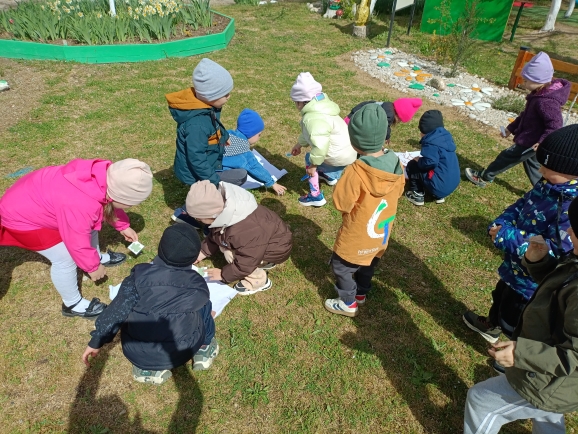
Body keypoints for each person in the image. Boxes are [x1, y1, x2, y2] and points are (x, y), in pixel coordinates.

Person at [463, 125, 578, 372]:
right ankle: (492, 324)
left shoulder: (572, 208)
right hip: (514, 267)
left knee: (519, 320)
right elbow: (521, 204)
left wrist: (507, 236)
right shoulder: (547, 184)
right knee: (501, 295)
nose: (541, 170)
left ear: (572, 172)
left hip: (532, 283)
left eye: (547, 167)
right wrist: (502, 222)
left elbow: (553, 251)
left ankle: (514, 358)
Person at [463, 194, 578, 434]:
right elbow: (559, 289)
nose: (568, 231)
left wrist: (521, 353)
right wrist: (540, 263)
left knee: (481, 401)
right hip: (555, 378)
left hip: (549, 382)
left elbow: (575, 357)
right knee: (547, 415)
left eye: (575, 231)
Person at [0, 158, 153, 319]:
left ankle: (96, 256)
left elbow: (106, 205)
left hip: (33, 199)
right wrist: (92, 267)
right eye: (130, 204)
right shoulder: (80, 205)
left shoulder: (102, 178)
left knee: (91, 223)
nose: (131, 207)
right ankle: (72, 304)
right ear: (119, 197)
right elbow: (76, 241)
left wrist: (122, 226)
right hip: (22, 218)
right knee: (65, 258)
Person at [81, 224, 218, 385]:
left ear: (160, 249)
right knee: (205, 307)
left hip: (138, 352)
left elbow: (116, 312)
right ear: (194, 258)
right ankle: (204, 348)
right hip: (183, 350)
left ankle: (146, 370)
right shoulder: (197, 283)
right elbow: (203, 305)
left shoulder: (138, 278)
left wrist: (97, 340)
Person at [324, 104, 405, 317]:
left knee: (342, 267)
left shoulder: (355, 171)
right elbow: (399, 191)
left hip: (356, 238)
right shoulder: (396, 164)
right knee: (368, 264)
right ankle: (361, 292)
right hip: (380, 238)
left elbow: (341, 203)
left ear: (355, 141)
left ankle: (348, 302)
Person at [465, 51, 571, 188]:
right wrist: (511, 128)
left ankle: (484, 177)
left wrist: (541, 142)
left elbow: (555, 125)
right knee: (533, 165)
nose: (523, 82)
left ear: (539, 81)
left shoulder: (546, 102)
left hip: (532, 141)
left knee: (507, 157)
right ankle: (546, 189)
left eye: (526, 80)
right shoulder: (538, 94)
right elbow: (525, 115)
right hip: (533, 141)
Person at [166, 58, 247, 225]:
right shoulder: (197, 125)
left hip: (205, 165)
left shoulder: (207, 106)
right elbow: (196, 158)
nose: (229, 97)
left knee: (237, 177)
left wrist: (223, 136)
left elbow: (215, 124)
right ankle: (186, 214)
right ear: (211, 96)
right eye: (225, 94)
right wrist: (212, 180)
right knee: (206, 196)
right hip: (195, 172)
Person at [186, 180, 293, 295]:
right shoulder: (225, 211)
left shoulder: (245, 230)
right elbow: (216, 235)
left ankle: (258, 281)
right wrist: (202, 252)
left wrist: (223, 274)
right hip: (264, 244)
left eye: (199, 218)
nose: (198, 221)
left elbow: (247, 261)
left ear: (212, 215)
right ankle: (265, 262)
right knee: (226, 246)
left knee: (229, 253)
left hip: (276, 250)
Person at [289, 72, 357, 207]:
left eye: (295, 102)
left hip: (338, 156)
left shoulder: (312, 118)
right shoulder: (325, 108)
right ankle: (329, 176)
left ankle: (315, 196)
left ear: (300, 102)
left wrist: (313, 165)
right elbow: (311, 133)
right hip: (350, 153)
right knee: (323, 155)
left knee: (310, 158)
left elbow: (320, 145)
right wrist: (299, 144)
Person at [222, 108, 287, 196]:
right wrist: (272, 183)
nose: (259, 137)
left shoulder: (227, 134)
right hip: (214, 175)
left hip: (206, 167)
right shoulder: (243, 151)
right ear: (251, 133)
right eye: (259, 135)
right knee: (242, 175)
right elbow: (255, 168)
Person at [404, 110, 461, 206]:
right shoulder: (445, 138)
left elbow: (430, 162)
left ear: (425, 130)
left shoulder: (431, 142)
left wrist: (419, 160)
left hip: (440, 186)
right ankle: (439, 195)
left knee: (412, 165)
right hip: (451, 183)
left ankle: (417, 194)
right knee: (439, 169)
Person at [343, 98, 422, 144]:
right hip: (355, 123)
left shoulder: (386, 105)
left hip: (353, 116)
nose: (399, 122)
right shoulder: (389, 115)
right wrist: (387, 137)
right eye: (400, 120)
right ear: (398, 115)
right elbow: (385, 126)